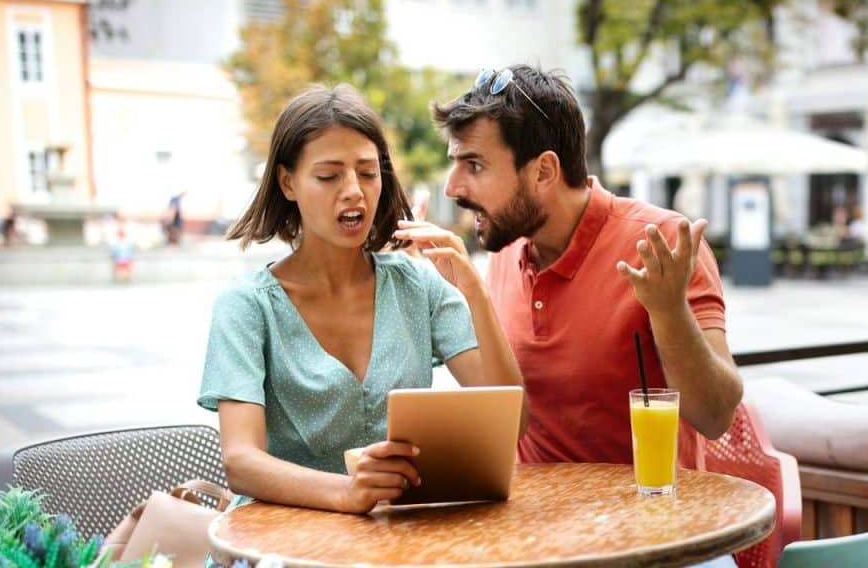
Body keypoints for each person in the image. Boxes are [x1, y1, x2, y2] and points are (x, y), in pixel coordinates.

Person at [198, 84, 524, 516]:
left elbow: (512, 423)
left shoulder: (416, 286)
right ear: (287, 182)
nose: (354, 190)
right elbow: (241, 462)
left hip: (393, 544)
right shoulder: (246, 306)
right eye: (329, 175)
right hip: (278, 547)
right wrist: (347, 492)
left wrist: (474, 291)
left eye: (368, 173)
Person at [432, 65, 742, 474]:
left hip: (648, 527)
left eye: (474, 166)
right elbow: (504, 412)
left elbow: (716, 417)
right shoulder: (506, 251)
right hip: (532, 526)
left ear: (544, 171)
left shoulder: (661, 243)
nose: (451, 188)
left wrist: (669, 312)